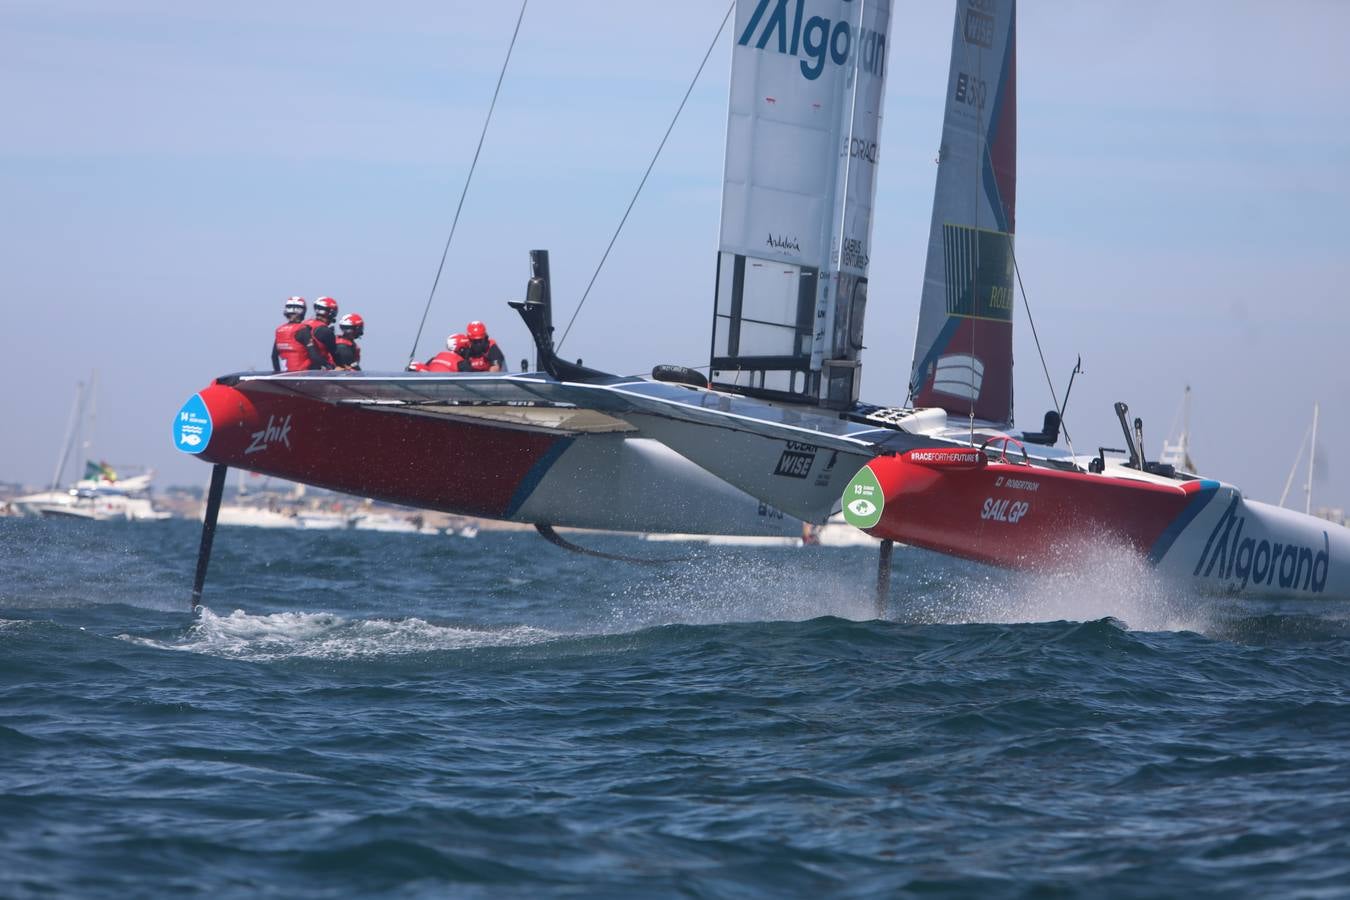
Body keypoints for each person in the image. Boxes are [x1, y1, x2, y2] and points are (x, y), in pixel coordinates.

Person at [272, 296, 315, 372]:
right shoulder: (303, 330)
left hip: (285, 376)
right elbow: (313, 356)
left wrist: (277, 374)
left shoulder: (279, 330)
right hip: (302, 375)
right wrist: (328, 365)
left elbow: (274, 356)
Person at [300, 296, 340, 369]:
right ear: (331, 313)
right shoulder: (325, 331)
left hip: (296, 369)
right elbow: (335, 355)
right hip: (316, 372)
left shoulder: (303, 324)